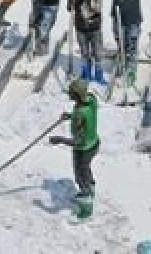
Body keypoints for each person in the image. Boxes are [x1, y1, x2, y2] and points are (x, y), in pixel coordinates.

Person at [48, 78, 99, 220]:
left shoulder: (80, 113)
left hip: (83, 149)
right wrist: (71, 116)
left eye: (71, 92)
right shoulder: (91, 100)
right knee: (86, 169)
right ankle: (91, 189)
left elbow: (78, 141)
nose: (69, 94)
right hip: (94, 144)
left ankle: (86, 211)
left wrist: (59, 140)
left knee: (80, 176)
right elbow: (85, 117)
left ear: (77, 95)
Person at [101, 0, 151, 87]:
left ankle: (131, 72)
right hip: (118, 17)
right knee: (121, 44)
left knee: (132, 46)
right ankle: (121, 67)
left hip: (134, 19)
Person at [68, 0, 105, 82]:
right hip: (80, 27)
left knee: (97, 52)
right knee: (84, 52)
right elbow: (69, 7)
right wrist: (72, 1)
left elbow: (97, 8)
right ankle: (86, 73)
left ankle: (98, 75)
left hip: (94, 26)